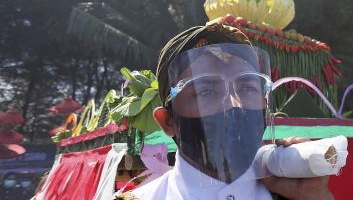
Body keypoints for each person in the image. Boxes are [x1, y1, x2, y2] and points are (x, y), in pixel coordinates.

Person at [119, 22, 333, 200]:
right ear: (167, 121)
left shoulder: (302, 195)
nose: (233, 104)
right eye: (205, 91)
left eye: (248, 87)